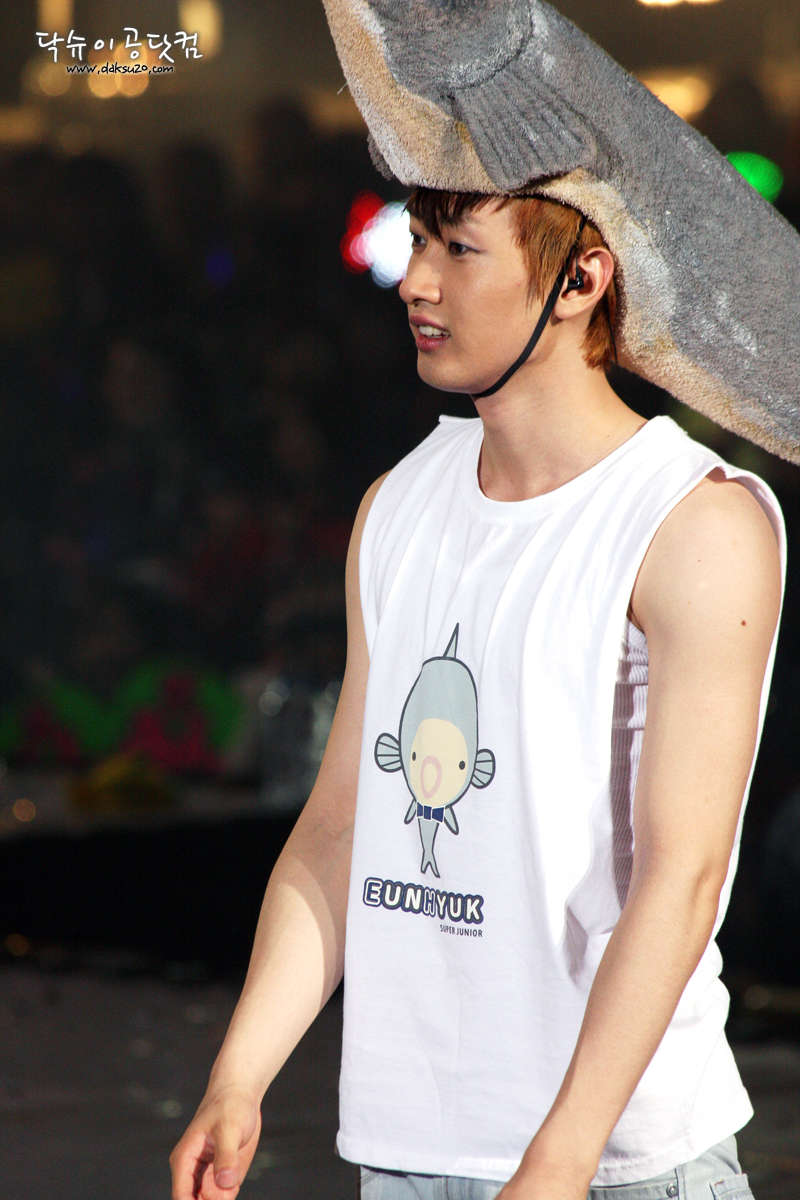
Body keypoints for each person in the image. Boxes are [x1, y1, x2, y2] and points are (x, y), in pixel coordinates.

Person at [172, 3, 798, 1197]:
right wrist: (237, 1076)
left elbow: (682, 875)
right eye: (418, 239)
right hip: (411, 1149)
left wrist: (560, 1157)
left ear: (580, 279)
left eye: (457, 249)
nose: (414, 280)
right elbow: (341, 824)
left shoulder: (693, 524)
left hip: (618, 1164)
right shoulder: (398, 506)